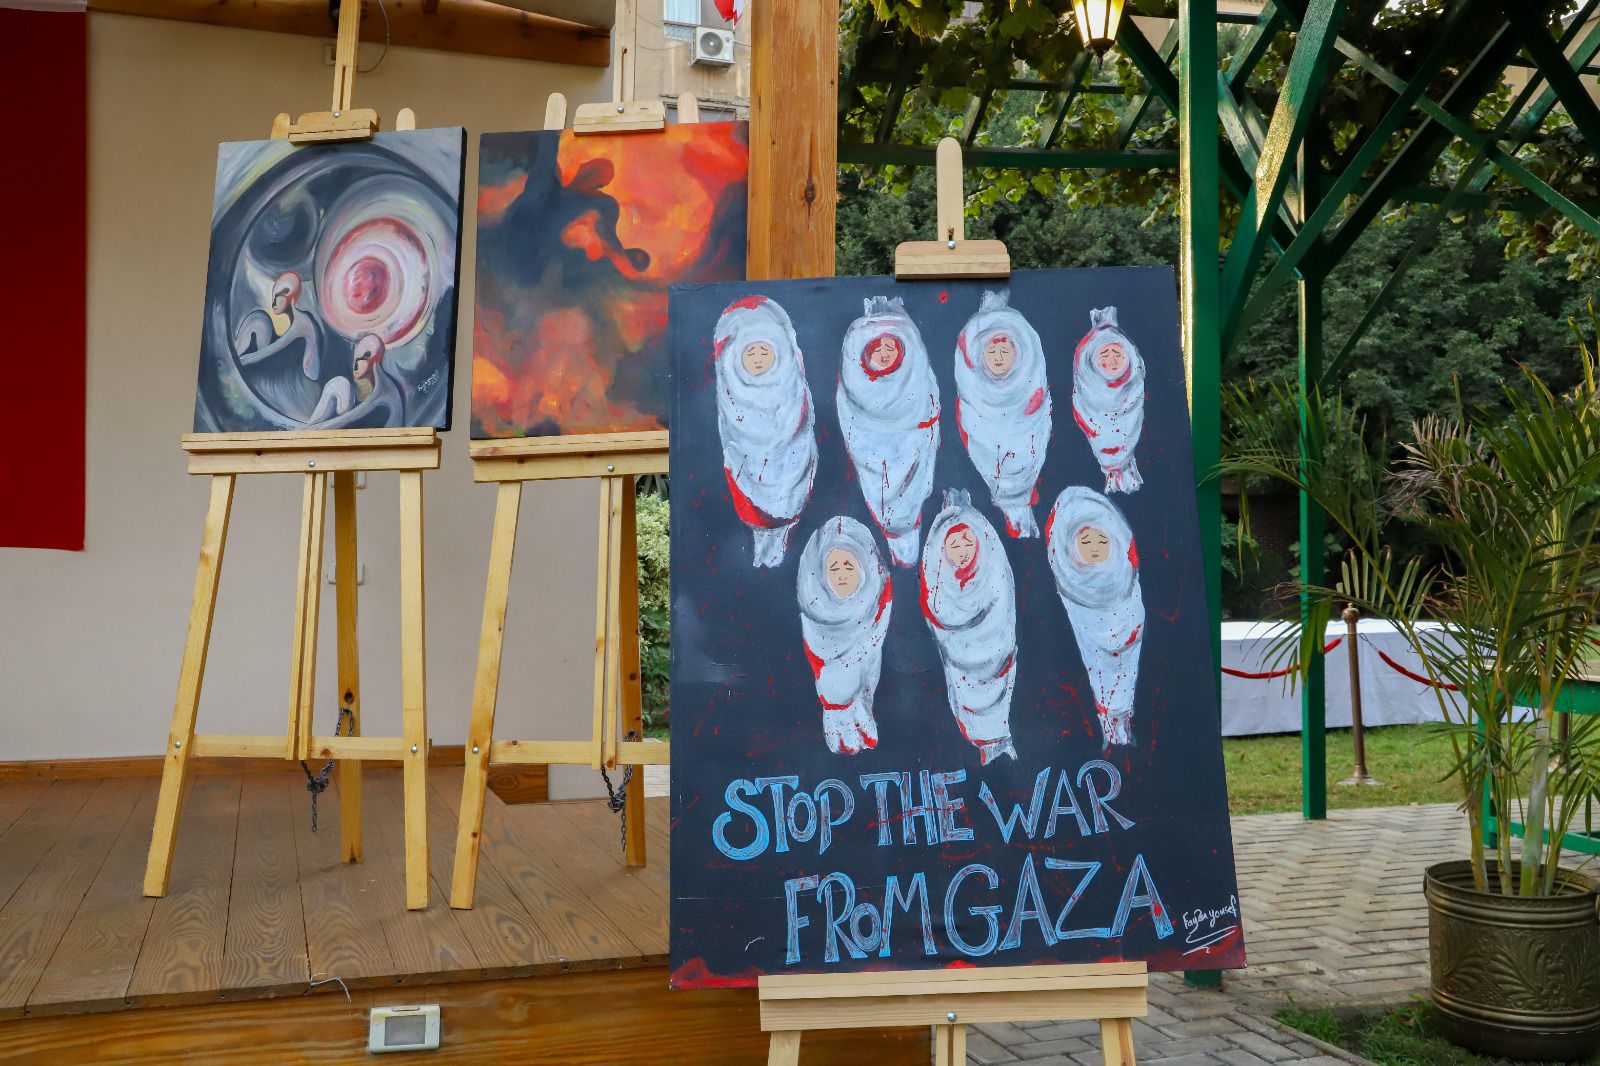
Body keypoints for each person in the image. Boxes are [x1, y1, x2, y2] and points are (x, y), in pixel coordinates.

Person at [713, 295, 818, 568]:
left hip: (791, 476)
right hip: (749, 478)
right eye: (751, 353)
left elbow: (800, 429)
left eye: (764, 351)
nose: (758, 359)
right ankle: (765, 548)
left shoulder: (791, 389)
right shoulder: (732, 397)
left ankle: (778, 546)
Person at [837, 296, 941, 567]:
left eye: (890, 347)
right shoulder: (856, 388)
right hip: (874, 458)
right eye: (877, 348)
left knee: (910, 494)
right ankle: (898, 543)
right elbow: (850, 421)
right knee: (882, 497)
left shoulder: (916, 380)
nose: (884, 354)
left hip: (912, 451)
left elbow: (929, 410)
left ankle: (907, 540)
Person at [919, 490, 1018, 765]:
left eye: (967, 543)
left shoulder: (994, 576)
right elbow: (939, 618)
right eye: (954, 545)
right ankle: (981, 739)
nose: (962, 552)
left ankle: (997, 736)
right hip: (959, 664)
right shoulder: (940, 590)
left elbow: (1001, 613)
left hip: (996, 657)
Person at [1046, 486, 1145, 747]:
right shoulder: (1069, 592)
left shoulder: (1126, 584)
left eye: (1102, 542)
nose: (1094, 549)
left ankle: (1120, 722)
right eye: (1086, 542)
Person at [953, 290, 1052, 537]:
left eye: (1005, 351)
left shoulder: (1032, 396)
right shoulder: (975, 400)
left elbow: (1039, 426)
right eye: (992, 351)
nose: (998, 358)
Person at [796, 517, 893, 755]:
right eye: (834, 569)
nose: (842, 576)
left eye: (849, 567)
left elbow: (871, 658)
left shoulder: (875, 612)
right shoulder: (815, 617)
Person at [1071, 306, 1145, 493]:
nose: (1112, 361)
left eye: (1117, 354)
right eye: (1105, 355)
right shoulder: (1087, 395)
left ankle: (1123, 472)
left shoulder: (1133, 393)